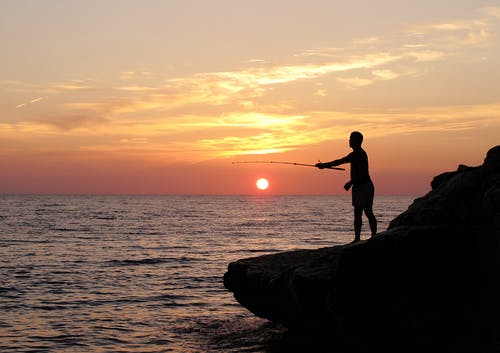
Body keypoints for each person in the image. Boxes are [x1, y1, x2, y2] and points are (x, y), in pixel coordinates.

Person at [315, 131, 377, 243]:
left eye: (350, 138)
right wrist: (324, 165)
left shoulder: (359, 154)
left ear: (356, 141)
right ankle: (361, 238)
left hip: (364, 186)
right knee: (362, 213)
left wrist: (350, 182)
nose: (349, 140)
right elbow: (339, 161)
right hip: (361, 186)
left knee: (364, 212)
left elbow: (362, 173)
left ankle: (368, 238)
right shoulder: (355, 154)